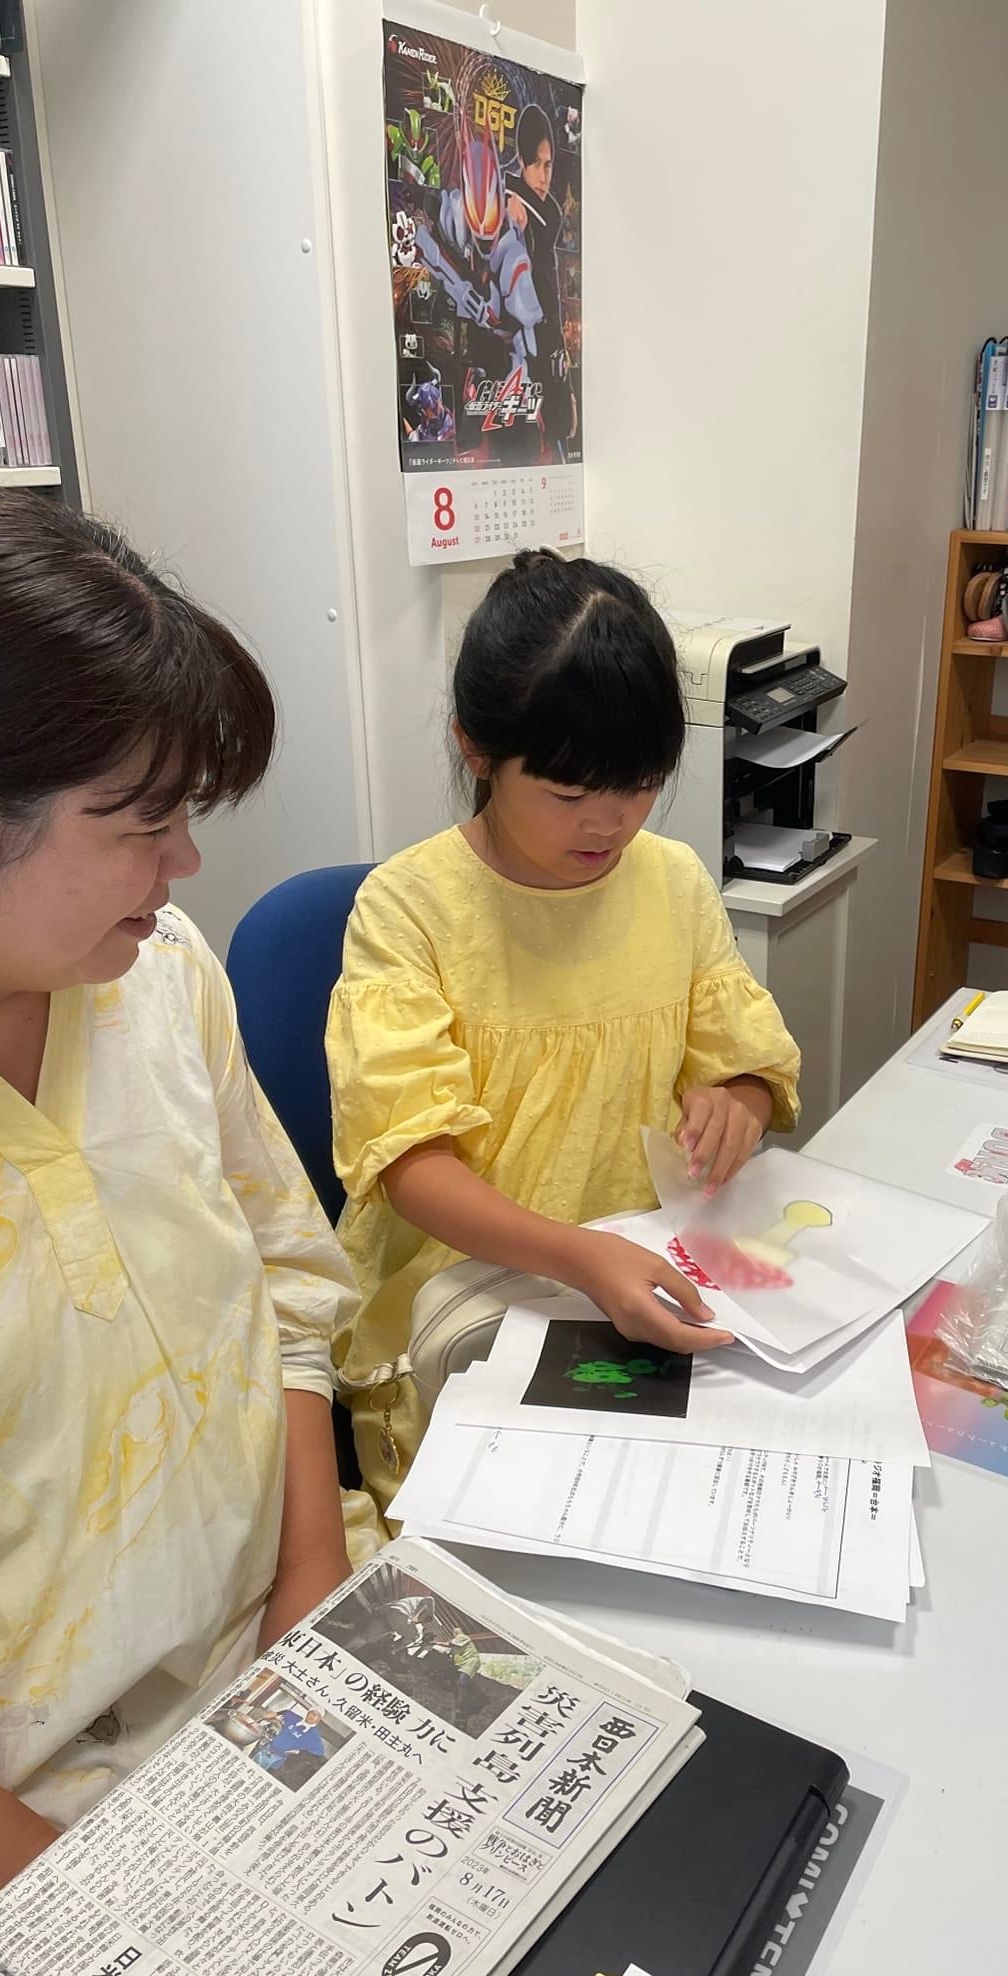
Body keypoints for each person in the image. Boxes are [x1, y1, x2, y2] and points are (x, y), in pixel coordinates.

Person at [0, 488, 378, 1976]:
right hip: (5, 1819)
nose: (185, 868)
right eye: (142, 820)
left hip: (272, 1660)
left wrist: (309, 1587)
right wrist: (111, 1914)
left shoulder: (157, 974)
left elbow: (288, 1279)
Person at [326, 551, 801, 1503]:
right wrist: (582, 1257)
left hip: (637, 1279)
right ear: (474, 747)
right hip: (467, 1301)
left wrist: (739, 1101)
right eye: (569, 794)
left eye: (638, 787)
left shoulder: (669, 882)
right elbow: (413, 1166)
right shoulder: (410, 910)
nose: (609, 824)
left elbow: (748, 1063)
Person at [505, 102, 578, 458]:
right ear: (521, 160)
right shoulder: (510, 198)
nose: (543, 175)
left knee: (562, 434)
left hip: (550, 340)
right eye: (535, 163)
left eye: (547, 165)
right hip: (521, 343)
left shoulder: (546, 212)